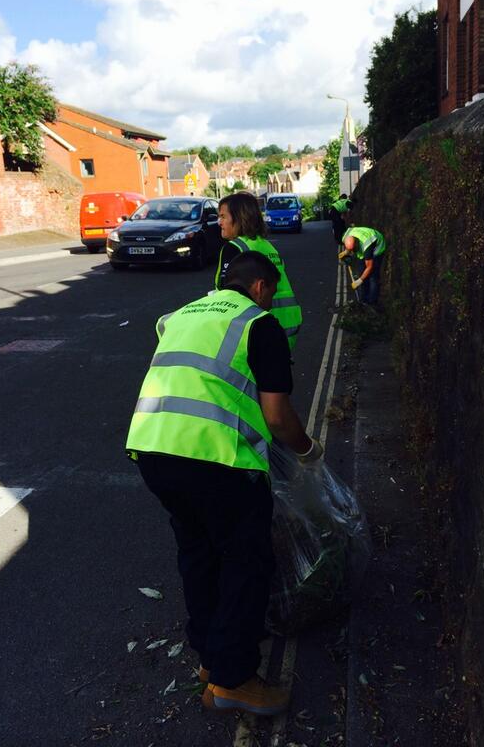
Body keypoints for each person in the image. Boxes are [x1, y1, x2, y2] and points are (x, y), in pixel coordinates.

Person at [126, 250, 323, 717]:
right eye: (271, 293)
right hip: (216, 460)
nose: (272, 302)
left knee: (198, 555)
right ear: (259, 287)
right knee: (245, 563)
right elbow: (277, 416)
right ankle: (235, 680)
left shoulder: (181, 315)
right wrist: (308, 452)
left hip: (152, 449)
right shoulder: (259, 324)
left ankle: (211, 664)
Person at [215, 193, 302, 350]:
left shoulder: (234, 248)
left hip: (256, 328)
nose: (219, 222)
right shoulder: (268, 247)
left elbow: (226, 292)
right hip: (287, 323)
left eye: (223, 217)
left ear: (239, 217)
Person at [338, 225, 386, 305]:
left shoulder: (367, 247)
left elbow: (369, 267)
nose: (352, 252)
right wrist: (346, 252)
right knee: (361, 271)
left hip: (377, 247)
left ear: (357, 243)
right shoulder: (346, 236)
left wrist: (359, 281)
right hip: (364, 242)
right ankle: (363, 299)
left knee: (373, 276)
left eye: (353, 250)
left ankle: (372, 302)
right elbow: (350, 244)